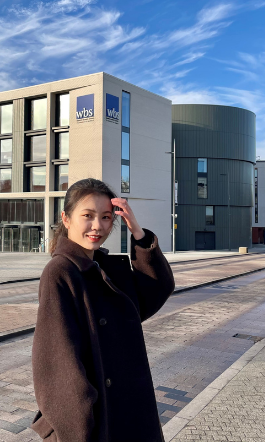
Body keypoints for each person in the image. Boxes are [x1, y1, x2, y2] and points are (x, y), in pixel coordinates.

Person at [31, 178, 175, 442]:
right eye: (87, 216)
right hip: (98, 422)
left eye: (106, 217)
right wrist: (81, 429)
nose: (98, 226)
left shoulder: (107, 269)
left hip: (129, 412)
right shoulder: (60, 272)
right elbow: (59, 364)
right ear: (66, 219)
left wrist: (140, 236)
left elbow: (157, 290)